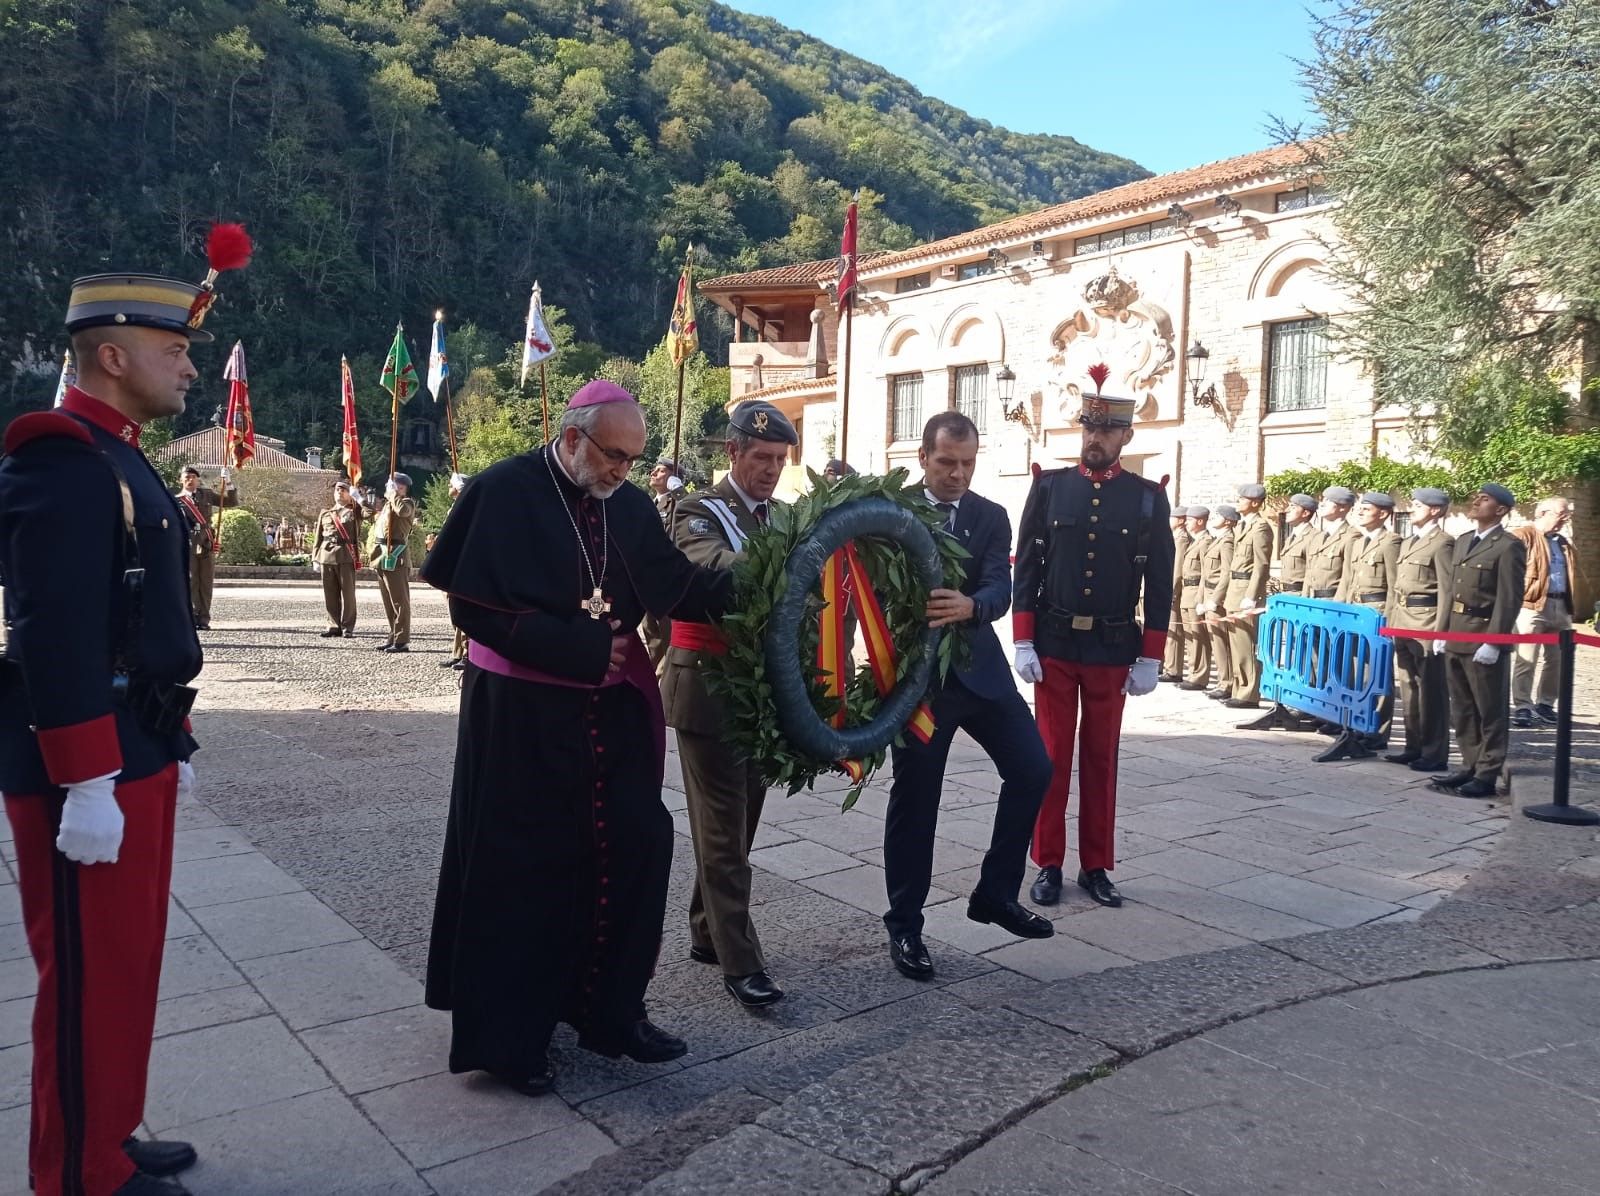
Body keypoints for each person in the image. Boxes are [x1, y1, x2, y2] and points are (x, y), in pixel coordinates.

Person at [0, 263, 246, 1194]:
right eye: (175, 351)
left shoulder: (115, 451)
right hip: (85, 760)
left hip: (132, 741)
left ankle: (109, 1129)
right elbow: (51, 631)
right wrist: (88, 777)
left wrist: (162, 746)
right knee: (85, 978)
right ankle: (75, 1173)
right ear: (112, 356)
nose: (192, 369)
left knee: (128, 960)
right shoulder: (60, 458)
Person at [421, 380, 731, 1096]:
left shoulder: (622, 502)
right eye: (613, 455)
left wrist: (767, 579)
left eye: (633, 458)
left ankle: (612, 1011)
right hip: (522, 715)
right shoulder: (505, 489)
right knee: (524, 866)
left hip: (610, 712)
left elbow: (675, 586)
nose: (623, 472)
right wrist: (580, 648)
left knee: (638, 843)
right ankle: (509, 1042)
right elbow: (473, 606)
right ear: (571, 438)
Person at [882, 413, 1054, 979]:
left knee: (1033, 769)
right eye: (946, 463)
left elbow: (998, 587)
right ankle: (905, 926)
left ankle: (995, 894)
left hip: (982, 678)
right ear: (923, 459)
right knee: (917, 804)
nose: (957, 474)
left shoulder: (990, 516)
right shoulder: (891, 512)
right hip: (921, 686)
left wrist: (973, 606)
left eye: (967, 464)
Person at [1014, 377, 1174, 909]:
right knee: (1051, 759)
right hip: (1056, 645)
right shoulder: (1050, 487)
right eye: (1090, 426)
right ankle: (1049, 863)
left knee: (1102, 761)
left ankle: (1096, 866)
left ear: (1126, 436)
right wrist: (1024, 639)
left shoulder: (1147, 500)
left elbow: (1160, 581)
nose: (1096, 437)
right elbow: (1028, 569)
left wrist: (1151, 654)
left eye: (1107, 429)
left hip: (1111, 648)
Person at [662, 400, 794, 1008]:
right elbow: (710, 567)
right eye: (760, 457)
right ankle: (743, 963)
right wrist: (791, 564)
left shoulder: (786, 518)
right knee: (721, 832)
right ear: (733, 453)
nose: (770, 469)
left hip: (762, 691)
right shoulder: (699, 511)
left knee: (741, 826)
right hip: (709, 687)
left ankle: (705, 933)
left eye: (779, 460)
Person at [1435, 485, 1526, 799]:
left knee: (1490, 710)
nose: (1476, 501)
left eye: (1484, 499)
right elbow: (1451, 594)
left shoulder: (1508, 546)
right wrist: (1442, 631)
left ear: (1500, 510)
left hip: (1483, 636)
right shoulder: (1463, 542)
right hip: (1457, 634)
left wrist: (1495, 641)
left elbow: (1509, 598)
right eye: (1476, 497)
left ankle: (1487, 773)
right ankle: (1471, 765)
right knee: (1462, 708)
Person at [1386, 488, 1454, 771]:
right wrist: (1390, 621)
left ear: (1436, 510)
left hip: (1426, 621)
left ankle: (1434, 752)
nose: (1412, 509)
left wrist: (1441, 632)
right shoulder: (1410, 541)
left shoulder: (1443, 543)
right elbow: (1396, 587)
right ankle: (1413, 746)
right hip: (1402, 619)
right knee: (1409, 687)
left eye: (1418, 505)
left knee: (1431, 689)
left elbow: (1448, 591)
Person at [1334, 492, 1402, 750]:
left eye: (1366, 508)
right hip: (1355, 612)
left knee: (1379, 673)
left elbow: (1395, 585)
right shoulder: (1358, 542)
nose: (1360, 512)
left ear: (1383, 514)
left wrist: (1391, 621)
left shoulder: (1391, 542)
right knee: (1358, 671)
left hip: (1377, 612)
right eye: (1359, 508)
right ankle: (1360, 723)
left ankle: (1378, 729)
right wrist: (1339, 610)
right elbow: (1346, 580)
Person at [1510, 497, 1578, 727]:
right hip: (1531, 605)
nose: (1565, 518)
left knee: (1557, 659)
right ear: (1542, 513)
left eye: (1567, 514)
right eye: (1561, 514)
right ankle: (1522, 706)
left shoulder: (1562, 542)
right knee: (1526, 658)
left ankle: (1546, 704)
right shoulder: (1523, 536)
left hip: (1561, 605)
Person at [1222, 484, 1274, 708]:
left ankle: (1249, 692)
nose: (1238, 502)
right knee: (1236, 643)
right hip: (1235, 588)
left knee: (1245, 644)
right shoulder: (1244, 526)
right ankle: (1238, 687)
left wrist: (1252, 595)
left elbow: (1261, 564)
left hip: (1245, 589)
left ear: (1255, 502)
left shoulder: (1260, 527)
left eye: (1243, 499)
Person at [173, 464, 236, 631]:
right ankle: (193, 616)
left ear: (198, 480)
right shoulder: (177, 500)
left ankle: (204, 619)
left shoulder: (206, 495)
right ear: (181, 480)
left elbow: (230, 502)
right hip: (188, 543)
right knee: (191, 581)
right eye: (187, 477)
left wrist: (228, 483)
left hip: (206, 543)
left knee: (206, 582)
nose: (190, 480)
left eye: (193, 477)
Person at [641, 458, 681, 675]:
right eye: (654, 469)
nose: (654, 473)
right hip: (646, 580)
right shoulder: (647, 503)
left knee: (668, 636)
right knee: (651, 634)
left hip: (666, 582)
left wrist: (679, 490)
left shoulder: (677, 504)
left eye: (662, 470)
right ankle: (655, 679)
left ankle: (667, 683)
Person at [369, 472, 416, 652]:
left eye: (401, 487)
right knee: (388, 601)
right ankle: (393, 634)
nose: (398, 488)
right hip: (382, 556)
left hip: (396, 557)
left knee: (399, 601)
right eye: (395, 485)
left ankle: (402, 640)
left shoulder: (406, 503)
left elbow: (402, 512)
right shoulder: (389, 506)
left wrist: (393, 495)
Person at [312, 480, 364, 638]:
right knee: (330, 593)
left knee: (348, 594)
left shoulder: (355, 511)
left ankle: (348, 626)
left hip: (346, 556)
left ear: (349, 494)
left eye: (343, 490)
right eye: (337, 490)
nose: (339, 492)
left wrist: (359, 498)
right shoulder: (326, 513)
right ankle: (333, 625)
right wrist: (315, 557)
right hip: (326, 555)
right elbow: (318, 538)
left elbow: (370, 513)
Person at [1198, 505, 1238, 701]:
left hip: (1217, 596)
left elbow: (1226, 573)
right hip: (1207, 592)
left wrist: (1215, 599)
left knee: (1221, 641)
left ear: (1229, 521)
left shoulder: (1227, 541)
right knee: (1215, 640)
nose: (1214, 519)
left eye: (1218, 516)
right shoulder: (1218, 540)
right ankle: (1223, 681)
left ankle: (1227, 682)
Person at [1177, 506, 1212, 691]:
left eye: (1190, 519)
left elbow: (1206, 573)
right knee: (1191, 637)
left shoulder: (1205, 542)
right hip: (1187, 591)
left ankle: (1199, 676)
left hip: (1196, 592)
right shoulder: (1195, 541)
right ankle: (1193, 672)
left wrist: (1201, 598)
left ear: (1200, 521)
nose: (1186, 523)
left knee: (1199, 638)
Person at [442, 472, 471, 670]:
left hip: (464, 564)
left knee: (463, 608)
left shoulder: (467, 506)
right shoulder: (455, 506)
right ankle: (458, 652)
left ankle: (469, 653)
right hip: (452, 563)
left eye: (452, 484)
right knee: (453, 609)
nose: (448, 486)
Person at [1159, 511, 1191, 683]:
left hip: (1175, 591)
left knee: (1174, 632)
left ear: (1180, 520)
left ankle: (1173, 669)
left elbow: (1176, 570)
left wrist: (1171, 592)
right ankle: (1165, 664)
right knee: (1168, 631)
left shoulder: (1181, 539)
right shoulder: (1174, 536)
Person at [1277, 493, 1319, 594]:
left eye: (1293, 507)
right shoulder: (1291, 538)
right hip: (1285, 593)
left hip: (1300, 595)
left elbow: (1312, 572)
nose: (1287, 510)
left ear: (1305, 513)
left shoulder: (1313, 537)